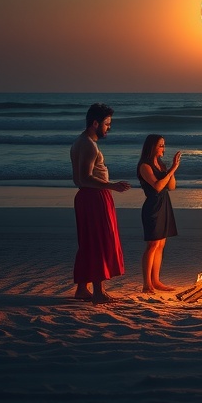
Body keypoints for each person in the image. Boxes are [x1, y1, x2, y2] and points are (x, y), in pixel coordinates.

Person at [70, 103, 131, 303]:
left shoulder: (79, 141)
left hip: (87, 197)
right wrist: (111, 186)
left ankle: (82, 288)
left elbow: (79, 178)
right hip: (94, 197)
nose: (109, 127)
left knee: (88, 241)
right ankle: (98, 291)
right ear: (95, 123)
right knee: (99, 241)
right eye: (106, 123)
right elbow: (85, 177)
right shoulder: (88, 144)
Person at [137, 134, 181, 293]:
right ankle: (146, 284)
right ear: (152, 147)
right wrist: (172, 170)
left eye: (164, 145)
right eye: (161, 145)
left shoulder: (160, 164)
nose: (163, 148)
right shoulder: (144, 166)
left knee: (161, 244)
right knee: (152, 244)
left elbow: (172, 186)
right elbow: (156, 186)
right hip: (153, 207)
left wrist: (171, 171)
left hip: (164, 205)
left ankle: (155, 281)